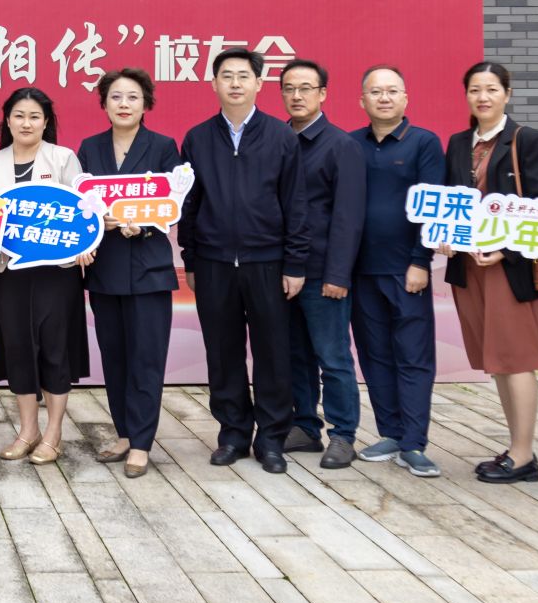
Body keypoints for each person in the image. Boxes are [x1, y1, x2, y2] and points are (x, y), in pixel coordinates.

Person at [176, 48, 310, 473]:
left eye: (243, 76)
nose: (235, 83)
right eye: (226, 76)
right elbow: (189, 204)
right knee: (223, 352)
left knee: (273, 354)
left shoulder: (281, 137)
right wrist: (191, 259)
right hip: (213, 263)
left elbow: (296, 204)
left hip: (268, 262)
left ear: (258, 83)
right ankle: (233, 434)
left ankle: (271, 439)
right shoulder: (197, 138)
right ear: (214, 84)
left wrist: (295, 263)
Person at [440, 62, 538, 484]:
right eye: (475, 89)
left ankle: (524, 456)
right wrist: (445, 234)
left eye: (492, 89)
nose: (483, 97)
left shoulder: (529, 141)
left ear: (507, 94)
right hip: (469, 267)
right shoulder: (458, 143)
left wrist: (506, 249)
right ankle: (515, 447)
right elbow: (451, 201)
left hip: (509, 269)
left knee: (516, 358)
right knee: (497, 362)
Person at [75, 68, 179, 479]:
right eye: (115, 96)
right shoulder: (90, 147)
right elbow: (81, 205)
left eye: (132, 97)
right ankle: (123, 432)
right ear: (104, 103)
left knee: (146, 359)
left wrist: (146, 223)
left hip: (149, 269)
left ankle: (141, 442)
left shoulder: (163, 147)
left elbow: (173, 202)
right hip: (106, 269)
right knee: (115, 357)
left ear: (145, 103)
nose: (123, 104)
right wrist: (98, 225)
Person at [0, 86, 91, 465]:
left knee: (55, 348)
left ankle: (54, 432)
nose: (26, 123)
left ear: (46, 122)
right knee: (17, 348)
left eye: (34, 117)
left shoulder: (63, 158)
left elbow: (84, 211)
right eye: (19, 116)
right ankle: (27, 430)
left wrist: (87, 242)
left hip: (55, 273)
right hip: (7, 272)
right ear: (7, 120)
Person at [349, 66, 447, 478]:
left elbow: (435, 205)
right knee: (374, 355)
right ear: (363, 100)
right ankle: (390, 433)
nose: (384, 98)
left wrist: (420, 261)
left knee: (413, 356)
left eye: (392, 91)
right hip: (360, 271)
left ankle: (414, 443)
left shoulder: (424, 142)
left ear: (405, 98)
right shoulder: (350, 143)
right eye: (376, 92)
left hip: (407, 270)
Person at [277, 58, 365, 471]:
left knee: (332, 357)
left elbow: (348, 216)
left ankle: (343, 434)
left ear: (323, 94)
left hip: (322, 273)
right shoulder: (277, 139)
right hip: (283, 271)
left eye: (306, 88)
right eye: (289, 88)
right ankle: (305, 426)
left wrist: (338, 274)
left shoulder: (340, 146)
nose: (297, 96)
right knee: (294, 354)